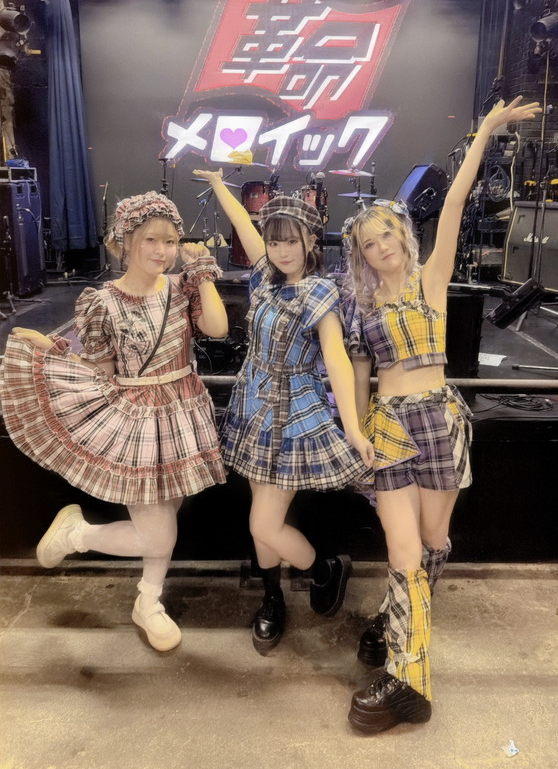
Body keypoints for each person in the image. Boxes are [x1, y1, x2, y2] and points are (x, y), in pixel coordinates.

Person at [342, 97, 541, 734]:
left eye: (387, 235)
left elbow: (453, 203)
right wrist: (356, 431)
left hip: (440, 422)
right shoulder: (360, 309)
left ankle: (394, 620)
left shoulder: (431, 281)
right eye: (369, 243)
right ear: (361, 255)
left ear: (403, 234)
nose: (381, 247)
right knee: (403, 551)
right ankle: (410, 679)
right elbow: (359, 378)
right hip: (390, 428)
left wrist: (485, 130)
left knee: (431, 546)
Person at [2, 191, 228, 652]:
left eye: (170, 241)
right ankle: (78, 535)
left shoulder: (181, 288)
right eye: (150, 240)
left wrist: (203, 273)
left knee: (166, 516)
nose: (162, 251)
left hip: (184, 410)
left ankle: (148, 600)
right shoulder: (102, 302)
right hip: (138, 420)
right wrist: (54, 352)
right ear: (125, 241)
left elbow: (218, 328)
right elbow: (102, 373)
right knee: (158, 533)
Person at [193, 168, 374, 654]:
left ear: (311, 241)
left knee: (263, 524)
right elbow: (245, 225)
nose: (281, 251)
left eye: (291, 241)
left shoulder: (320, 291)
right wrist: (218, 185)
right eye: (274, 242)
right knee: (261, 516)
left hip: (292, 413)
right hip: (252, 406)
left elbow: (336, 358)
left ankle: (323, 568)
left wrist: (353, 428)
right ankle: (272, 599)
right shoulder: (265, 279)